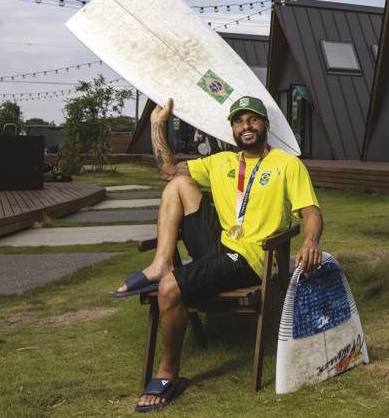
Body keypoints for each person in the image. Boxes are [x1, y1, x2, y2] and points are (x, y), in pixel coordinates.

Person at [114, 95, 323, 412]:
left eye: (252, 119)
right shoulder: (221, 162)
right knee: (177, 185)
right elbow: (167, 170)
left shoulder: (286, 164)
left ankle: (168, 373)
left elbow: (310, 211)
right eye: (239, 121)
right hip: (219, 246)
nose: (246, 126)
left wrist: (310, 241)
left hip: (249, 258)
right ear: (233, 128)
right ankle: (160, 262)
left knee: (171, 289)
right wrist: (158, 125)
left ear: (264, 124)